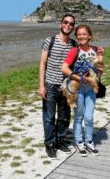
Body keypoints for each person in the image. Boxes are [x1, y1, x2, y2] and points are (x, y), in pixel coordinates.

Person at [61, 24, 104, 157]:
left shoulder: (96, 50)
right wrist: (79, 77)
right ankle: (79, 142)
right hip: (77, 90)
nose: (81, 36)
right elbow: (64, 68)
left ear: (90, 36)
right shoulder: (74, 51)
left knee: (89, 118)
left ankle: (89, 141)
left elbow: (101, 71)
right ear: (76, 37)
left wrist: (96, 75)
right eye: (79, 34)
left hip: (91, 90)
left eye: (84, 34)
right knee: (79, 117)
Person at [39, 13, 77, 159]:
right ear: (60, 24)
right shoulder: (50, 41)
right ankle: (49, 143)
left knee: (64, 117)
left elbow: (83, 58)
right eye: (65, 22)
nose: (68, 25)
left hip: (65, 87)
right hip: (49, 85)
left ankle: (60, 140)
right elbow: (42, 64)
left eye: (71, 24)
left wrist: (98, 52)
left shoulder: (74, 45)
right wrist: (41, 85)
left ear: (73, 27)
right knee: (49, 117)